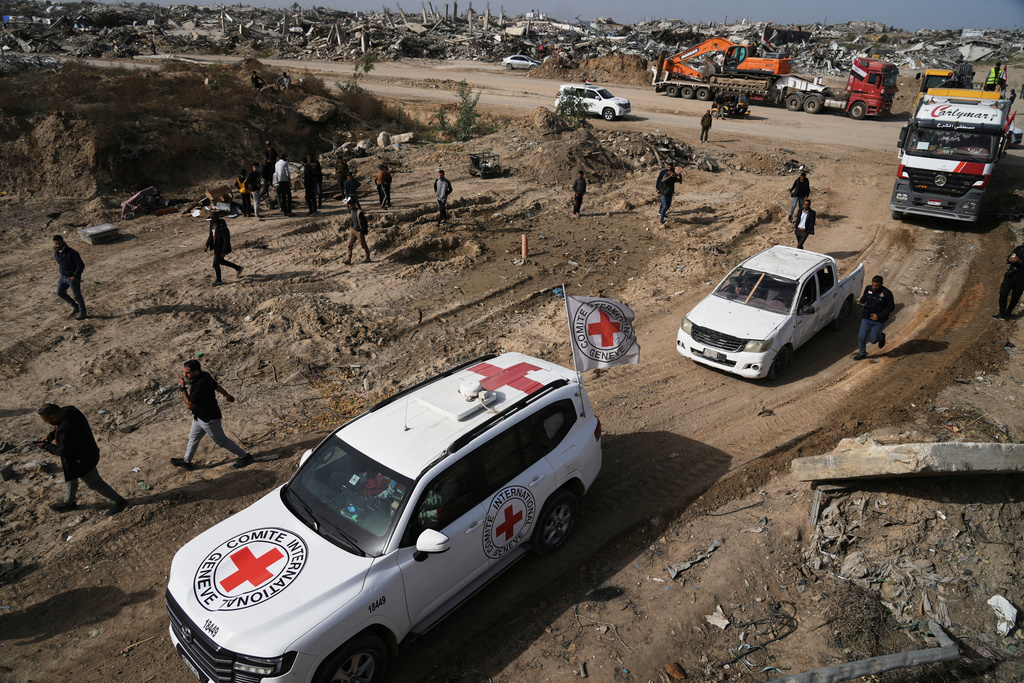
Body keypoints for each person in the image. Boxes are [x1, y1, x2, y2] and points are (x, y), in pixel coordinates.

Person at [35, 404, 128, 516]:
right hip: (83, 453)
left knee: (94, 483)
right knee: (70, 477)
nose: (46, 423)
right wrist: (52, 435)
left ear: (53, 417)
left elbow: (62, 451)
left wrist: (45, 446)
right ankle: (69, 502)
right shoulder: (70, 410)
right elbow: (61, 430)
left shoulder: (66, 430)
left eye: (46, 420)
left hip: (82, 459)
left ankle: (119, 501)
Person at [171, 360, 253, 470]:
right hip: (199, 417)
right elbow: (216, 386)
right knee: (193, 438)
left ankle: (245, 456)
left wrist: (183, 388)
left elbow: (189, 405)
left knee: (221, 441)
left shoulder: (201, 384)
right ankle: (186, 462)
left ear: (196, 371)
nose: (185, 375)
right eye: (184, 372)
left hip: (209, 419)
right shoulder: (204, 375)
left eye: (187, 373)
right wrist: (226, 395)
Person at [854, 275, 894, 360]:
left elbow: (891, 307)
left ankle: (881, 337)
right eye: (873, 285)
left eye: (876, 285)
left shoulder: (887, 293)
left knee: (873, 340)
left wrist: (878, 316)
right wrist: (861, 302)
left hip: (878, 320)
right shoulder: (868, 288)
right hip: (866, 317)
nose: (874, 287)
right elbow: (864, 297)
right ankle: (862, 353)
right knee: (861, 336)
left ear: (881, 284)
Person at [52, 234, 87, 320]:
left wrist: (75, 276)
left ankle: (82, 312)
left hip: (72, 278)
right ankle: (75, 307)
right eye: (56, 244)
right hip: (63, 277)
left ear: (63, 242)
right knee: (59, 292)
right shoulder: (57, 253)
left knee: (77, 296)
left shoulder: (72, 253)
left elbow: (80, 265)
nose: (58, 245)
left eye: (59, 243)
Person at [205, 211, 242, 285]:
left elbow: (226, 240)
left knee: (215, 264)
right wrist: (207, 245)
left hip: (221, 248)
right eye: (211, 218)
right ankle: (238, 268)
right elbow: (211, 236)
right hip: (216, 247)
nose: (211, 219)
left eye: (213, 218)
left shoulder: (223, 227)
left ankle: (219, 280)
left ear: (216, 218)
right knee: (221, 261)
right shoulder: (212, 225)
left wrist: (224, 251)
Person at [994, 236, 1024, 320]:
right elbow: (1009, 258)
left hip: (1021, 279)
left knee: (1015, 297)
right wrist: (1010, 259)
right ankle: (1002, 313)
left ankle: (1008, 313)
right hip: (1011, 275)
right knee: (1003, 293)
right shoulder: (1019, 248)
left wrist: (1020, 261)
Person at [343, 199, 372, 265]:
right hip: (353, 230)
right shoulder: (352, 211)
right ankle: (349, 259)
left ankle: (368, 258)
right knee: (349, 245)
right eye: (349, 206)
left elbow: (364, 223)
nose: (350, 207)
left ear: (354, 205)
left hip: (359, 232)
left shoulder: (359, 212)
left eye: (351, 206)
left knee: (363, 245)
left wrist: (362, 231)